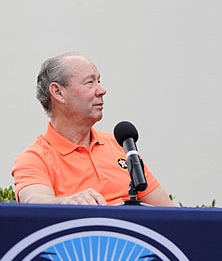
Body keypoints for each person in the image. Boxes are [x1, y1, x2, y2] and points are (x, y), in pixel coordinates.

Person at [12, 52, 174, 206]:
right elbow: (35, 201)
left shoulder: (121, 145)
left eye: (99, 81)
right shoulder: (35, 158)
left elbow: (170, 214)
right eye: (90, 82)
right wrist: (67, 202)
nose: (102, 90)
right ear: (58, 92)